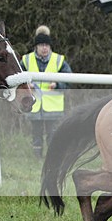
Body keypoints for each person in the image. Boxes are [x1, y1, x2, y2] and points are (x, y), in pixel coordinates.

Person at [20, 25, 72, 158]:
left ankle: (52, 157)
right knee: (36, 134)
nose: (45, 48)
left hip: (53, 106)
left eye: (47, 45)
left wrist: (58, 84)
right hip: (34, 105)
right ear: (36, 47)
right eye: (41, 45)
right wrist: (26, 86)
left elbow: (69, 80)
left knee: (52, 133)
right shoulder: (26, 60)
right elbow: (18, 79)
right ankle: (37, 158)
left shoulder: (59, 60)